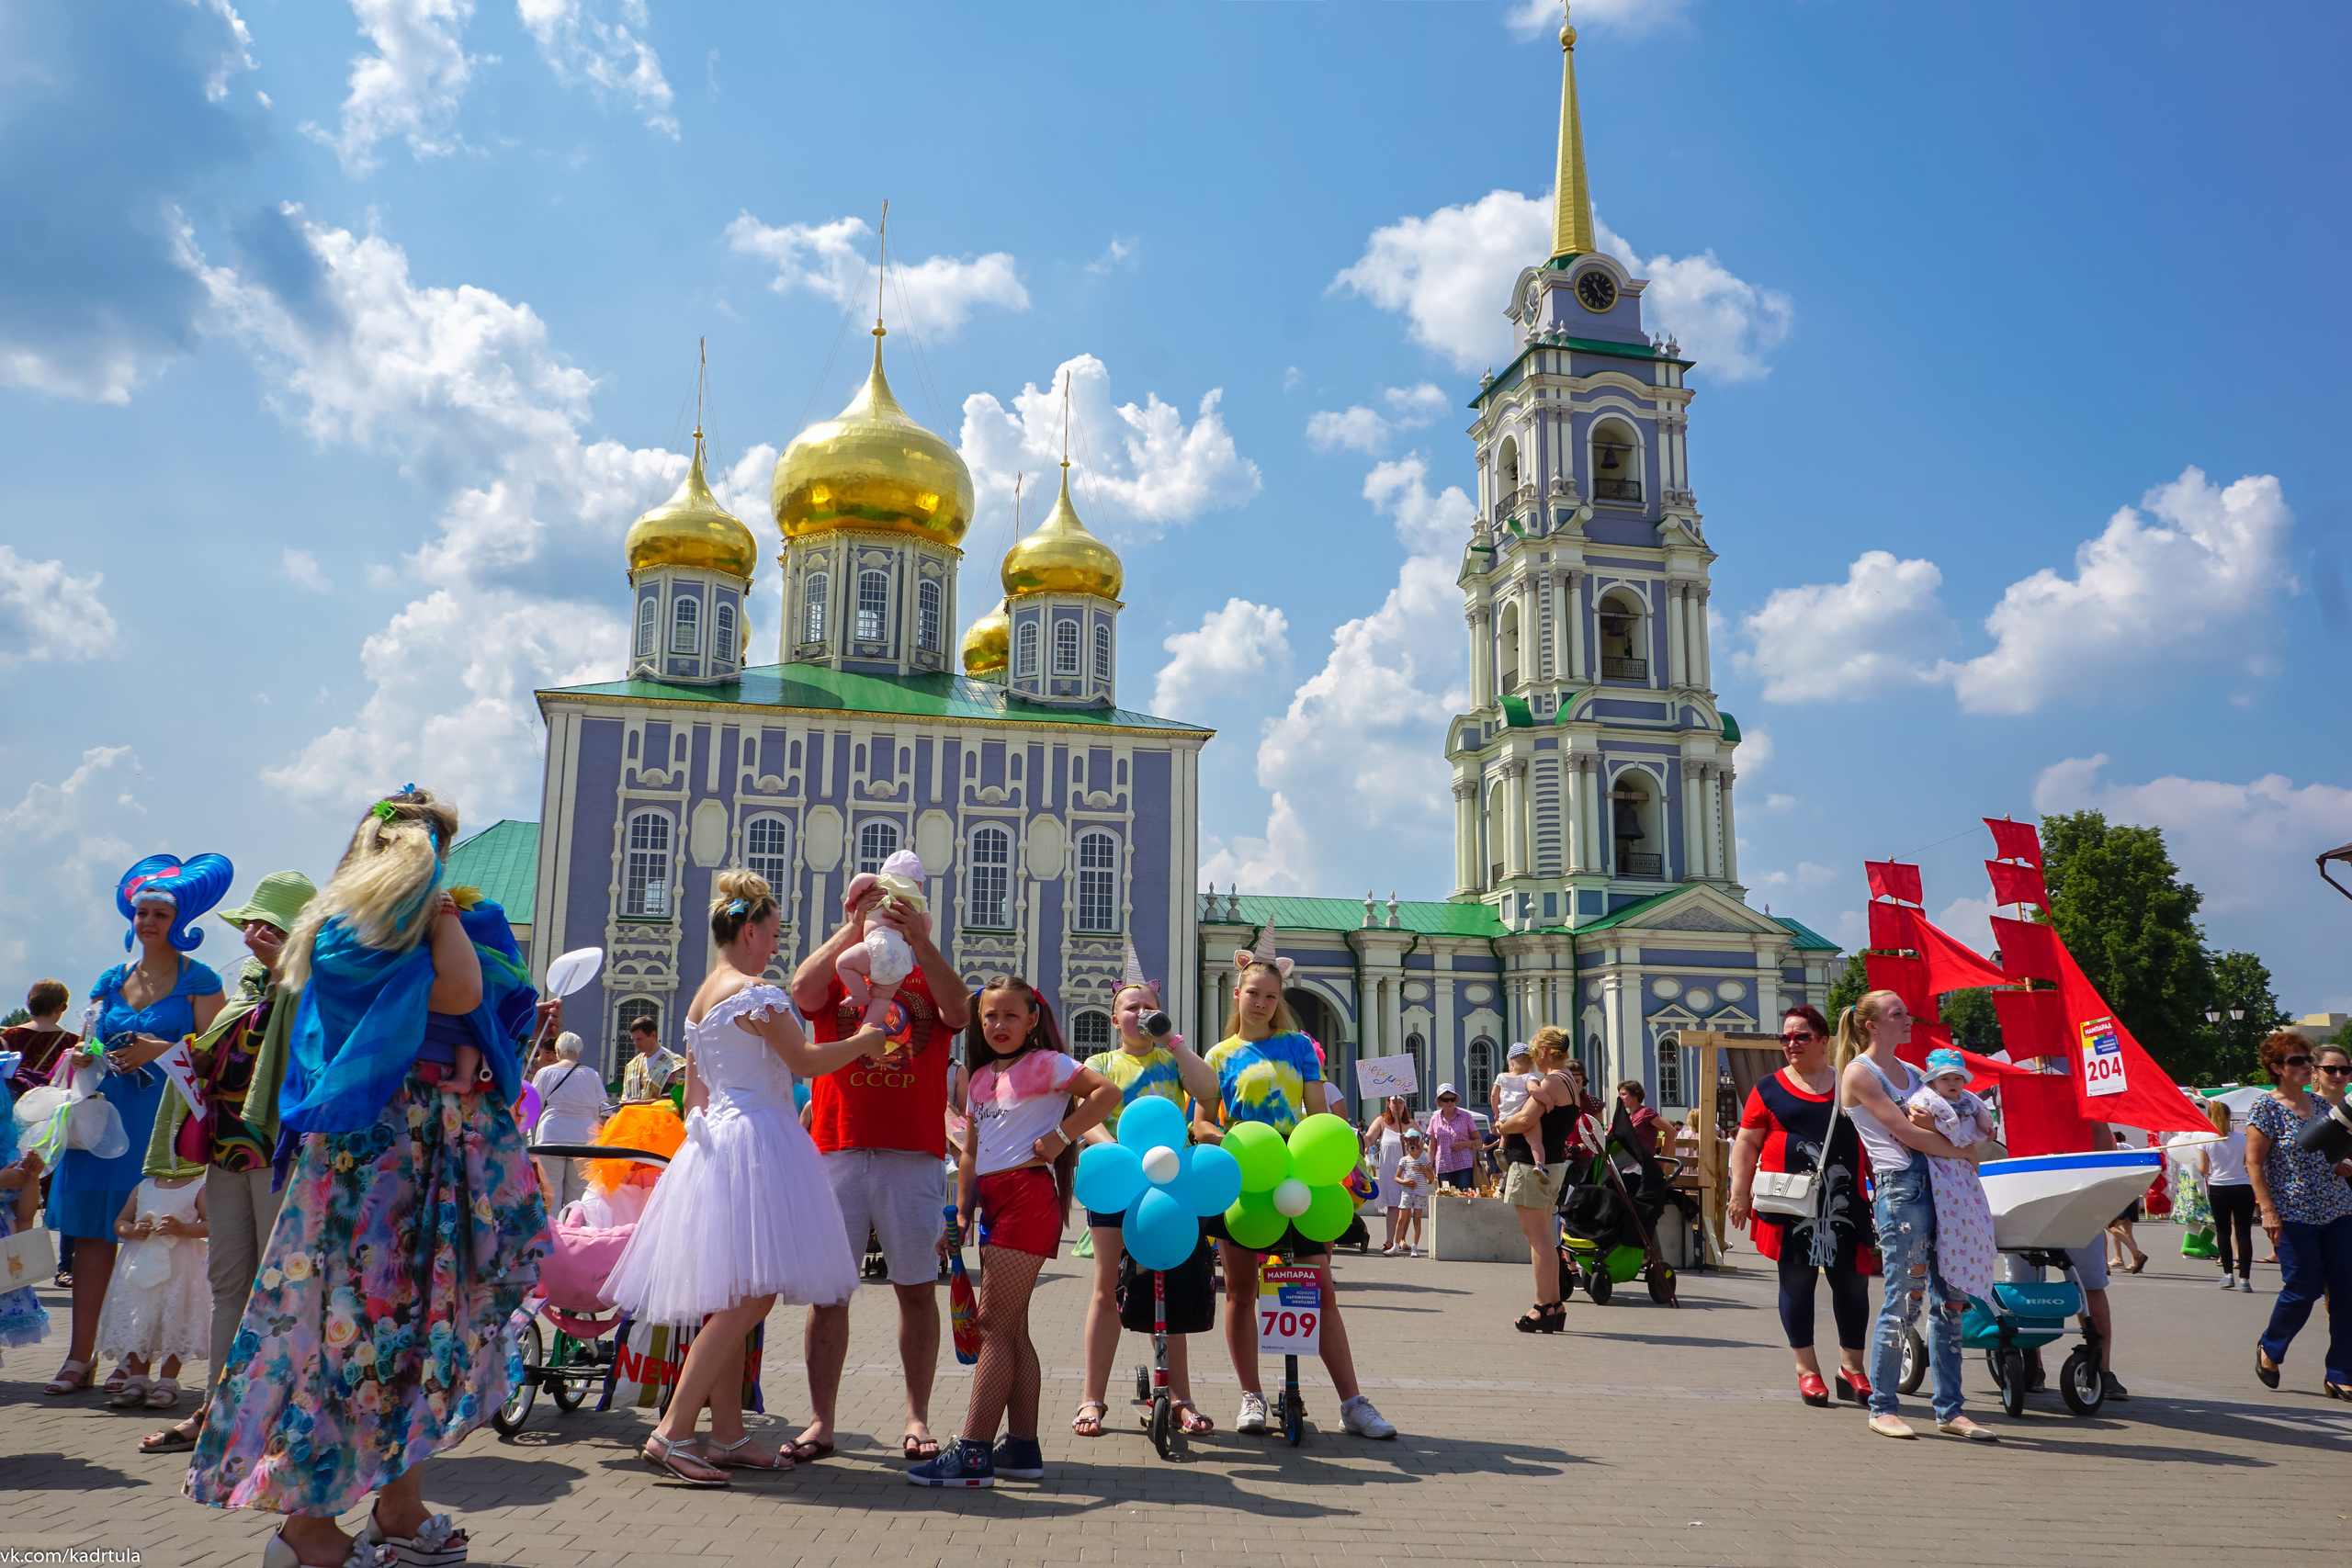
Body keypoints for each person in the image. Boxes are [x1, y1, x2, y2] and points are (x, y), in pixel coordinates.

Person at [186, 786, 547, 1568]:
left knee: (410, 1335)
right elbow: (460, 990)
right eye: (432, 854)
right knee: (350, 1335)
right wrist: (445, 913)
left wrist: (470, 1046)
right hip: (371, 1164)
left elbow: (469, 1004)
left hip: (417, 1149)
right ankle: (307, 1531)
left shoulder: (379, 928)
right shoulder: (345, 930)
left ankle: (399, 1503)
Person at [604, 870, 877, 1484]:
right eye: (775, 934)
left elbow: (695, 1095)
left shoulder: (702, 998)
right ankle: (674, 1430)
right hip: (757, 1136)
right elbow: (805, 1061)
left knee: (730, 1294)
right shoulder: (758, 994)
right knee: (751, 1295)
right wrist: (865, 1040)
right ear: (749, 930)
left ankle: (725, 1434)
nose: (777, 946)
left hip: (715, 1143)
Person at [789, 870, 971, 1463]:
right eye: (878, 905)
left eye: (903, 906)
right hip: (838, 1147)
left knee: (916, 1290)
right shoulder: (850, 956)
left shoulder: (924, 966)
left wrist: (921, 940)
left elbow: (960, 1011)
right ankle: (822, 1420)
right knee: (829, 1295)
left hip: (912, 1153)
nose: (887, 914)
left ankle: (917, 1415)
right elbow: (800, 990)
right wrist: (849, 925)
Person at [910, 976, 1117, 1486]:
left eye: (1010, 1016)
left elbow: (1106, 1092)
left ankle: (975, 1450)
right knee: (1012, 1330)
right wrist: (961, 1215)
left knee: (992, 1329)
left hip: (1028, 1198)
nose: (999, 1026)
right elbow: (971, 1154)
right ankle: (1022, 1449)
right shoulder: (979, 1077)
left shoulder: (1046, 1063)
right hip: (995, 1203)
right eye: (989, 1017)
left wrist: (1062, 1135)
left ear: (1032, 1020)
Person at [138, 870, 318, 1455]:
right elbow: (215, 1056)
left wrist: (285, 973)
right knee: (228, 1284)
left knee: (278, 1287)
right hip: (226, 1151)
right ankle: (218, 1410)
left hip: (277, 1154)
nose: (254, 934)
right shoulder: (243, 990)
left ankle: (276, 1413)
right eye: (250, 925)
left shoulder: (309, 987)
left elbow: (301, 1053)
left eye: (269, 926)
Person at [1191, 933, 1396, 1438]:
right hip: (1245, 1179)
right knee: (1239, 1292)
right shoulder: (1218, 1056)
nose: (1260, 1002)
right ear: (1236, 995)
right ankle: (1252, 1397)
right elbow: (1200, 1123)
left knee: (1319, 1289)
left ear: (1279, 1001)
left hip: (1298, 1178)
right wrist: (1237, 1141)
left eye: (1270, 995)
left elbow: (1317, 1116)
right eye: (1252, 993)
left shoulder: (1299, 1048)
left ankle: (1353, 1403)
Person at [45, 854, 231, 1400]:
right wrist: (86, 1055)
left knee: (152, 1245)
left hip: (160, 1125)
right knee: (91, 1240)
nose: (147, 922)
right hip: (103, 1121)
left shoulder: (201, 980)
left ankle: (138, 1359)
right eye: (140, 912)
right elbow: (95, 1038)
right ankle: (81, 1356)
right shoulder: (110, 978)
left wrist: (163, 1049)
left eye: (158, 914)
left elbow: (219, 1057)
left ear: (181, 921)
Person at [1837, 989, 1996, 1441]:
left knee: (1951, 1299)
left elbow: (1945, 1120)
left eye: (1906, 1012)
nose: (1908, 1019)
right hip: (1903, 1191)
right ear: (1871, 1025)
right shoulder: (1859, 1073)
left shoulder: (1911, 1072)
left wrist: (1971, 1136)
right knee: (1903, 1297)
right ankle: (1882, 1405)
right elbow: (1907, 1132)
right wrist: (1967, 1153)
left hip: (1944, 1187)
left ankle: (1950, 1409)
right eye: (1897, 1014)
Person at [1072, 964, 1221, 1442]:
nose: (1140, 1013)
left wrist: (1173, 1040)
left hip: (1169, 1188)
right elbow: (1084, 1114)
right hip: (1117, 1183)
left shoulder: (1171, 1060)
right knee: (1105, 1288)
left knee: (1172, 1285)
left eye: (1148, 1006)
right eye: (1130, 1007)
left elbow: (1208, 1092)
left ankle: (1181, 1398)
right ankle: (1091, 1398)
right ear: (1115, 1019)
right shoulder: (1099, 1064)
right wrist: (1109, 1149)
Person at [1727, 1005, 1875, 1407]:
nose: (1791, 1044)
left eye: (1802, 1036)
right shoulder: (1768, 1088)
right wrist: (1739, 1192)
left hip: (1846, 1206)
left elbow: (1876, 1139)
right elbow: (1746, 1143)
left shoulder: (1850, 1083)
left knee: (1853, 1285)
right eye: (1786, 1037)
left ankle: (1852, 1368)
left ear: (1824, 1040)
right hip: (1788, 1206)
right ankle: (1807, 1370)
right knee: (1796, 1284)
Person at [2245, 1031, 2352, 1397]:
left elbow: (2335, 1152)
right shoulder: (2266, 1108)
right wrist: (2268, 1211)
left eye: (2308, 1060)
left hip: (2338, 1209)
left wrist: (2343, 1163)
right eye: (2296, 1061)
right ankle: (2270, 1347)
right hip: (2293, 1214)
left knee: (2346, 1292)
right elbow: (2254, 1164)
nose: (2307, 1066)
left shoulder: (2323, 1107)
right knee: (2302, 1289)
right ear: (2276, 1067)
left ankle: (2339, 1373)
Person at [94, 1171, 208, 1409]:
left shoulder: (198, 1187)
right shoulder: (143, 1187)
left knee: (174, 1319)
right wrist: (132, 1230)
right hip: (140, 1267)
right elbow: (120, 1222)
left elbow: (211, 1225)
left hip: (178, 1268)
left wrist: (183, 1229)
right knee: (140, 1320)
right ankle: (137, 1380)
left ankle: (167, 1382)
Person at [1903, 1050, 1998, 1312]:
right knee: (1946, 1220)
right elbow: (1919, 1122)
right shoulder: (1925, 1099)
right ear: (1933, 1081)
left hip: (1962, 1167)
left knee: (1972, 1217)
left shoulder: (1968, 1099)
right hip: (1939, 1164)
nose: (1953, 1084)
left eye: (1958, 1078)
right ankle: (1923, 1292)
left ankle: (1963, 1281)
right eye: (1946, 1079)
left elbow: (1980, 1113)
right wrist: (1949, 1135)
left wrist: (1986, 1126)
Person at [1500, 1029, 1577, 1333]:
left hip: (1531, 1166)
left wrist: (1501, 1124)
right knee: (1545, 1236)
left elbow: (1523, 1120)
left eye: (1535, 1049)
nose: (1532, 1055)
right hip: (1552, 1164)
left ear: (1544, 1051)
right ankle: (1555, 1303)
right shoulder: (1569, 1079)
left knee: (1539, 1239)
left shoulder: (1552, 1081)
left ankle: (1542, 1306)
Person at [530, 1032, 604, 1211]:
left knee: (550, 1197)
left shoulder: (544, 1073)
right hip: (584, 1141)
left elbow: (533, 1108)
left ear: (557, 1051)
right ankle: (574, 1234)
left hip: (551, 1138)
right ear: (579, 1053)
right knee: (578, 1199)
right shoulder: (591, 1074)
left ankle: (552, 1235)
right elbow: (601, 1108)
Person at [2201, 1101, 2256, 1292]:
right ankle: (2245, 1280)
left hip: (2218, 1188)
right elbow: (2248, 1163)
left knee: (2223, 1231)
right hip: (2242, 1186)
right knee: (2243, 1233)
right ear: (2229, 1115)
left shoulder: (2205, 1140)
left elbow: (2203, 1169)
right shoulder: (2243, 1138)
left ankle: (2227, 1275)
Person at [4, 977, 80, 1097]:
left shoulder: (7, 1036)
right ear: (61, 1007)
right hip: (50, 1106)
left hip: (12, 1100)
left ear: (28, 1004)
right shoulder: (74, 1042)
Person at [1363, 1094, 1413, 1254]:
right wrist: (1359, 1143)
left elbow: (1419, 1146)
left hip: (1408, 1170)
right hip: (1390, 1171)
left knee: (1405, 1206)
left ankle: (1401, 1240)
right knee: (1393, 1206)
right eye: (1394, 1102)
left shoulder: (1410, 1124)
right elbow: (1369, 1137)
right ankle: (1390, 1240)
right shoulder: (1382, 1121)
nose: (1397, 1105)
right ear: (1388, 1104)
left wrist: (1409, 1142)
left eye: (1400, 1102)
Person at [2105, 1130, 2151, 1275]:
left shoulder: (2111, 1153)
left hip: (2120, 1192)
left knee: (2108, 1225)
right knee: (2126, 1228)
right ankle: (2131, 1260)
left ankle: (2136, 1254)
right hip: (2131, 1191)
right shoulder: (2127, 1149)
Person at [1426, 1083, 1482, 1194]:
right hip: (1443, 1165)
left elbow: (1479, 1141)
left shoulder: (1466, 1116)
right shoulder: (1434, 1119)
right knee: (1446, 1198)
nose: (1449, 1102)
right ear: (1440, 1102)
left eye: (1452, 1099)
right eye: (1445, 1100)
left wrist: (1464, 1144)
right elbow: (1432, 1147)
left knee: (1465, 1196)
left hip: (1464, 1164)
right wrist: (1428, 1169)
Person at [619, 1015, 684, 1102]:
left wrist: (641, 1104)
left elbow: (675, 1100)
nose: (636, 1043)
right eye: (633, 1039)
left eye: (639, 1039)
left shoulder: (676, 1065)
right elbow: (626, 1096)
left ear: (653, 1035)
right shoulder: (633, 1065)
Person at [1393, 1131, 1431, 1255]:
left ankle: (1414, 1247)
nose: (1412, 1145)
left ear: (1419, 1142)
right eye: (1409, 1142)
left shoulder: (1425, 1160)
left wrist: (1423, 1169)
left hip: (1420, 1193)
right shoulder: (1403, 1160)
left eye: (1414, 1142)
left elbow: (1431, 1178)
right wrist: (1405, 1182)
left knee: (1417, 1220)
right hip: (1407, 1193)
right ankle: (1396, 1246)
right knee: (1401, 1219)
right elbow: (1397, 1177)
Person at [1491, 1043, 1536, 1130]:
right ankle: (1536, 1144)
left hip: (1504, 1117)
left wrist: (1497, 1114)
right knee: (1533, 1134)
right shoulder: (1529, 1077)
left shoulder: (1501, 1076)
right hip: (1520, 1116)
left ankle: (1501, 1144)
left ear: (1510, 1062)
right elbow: (1534, 1090)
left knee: (1504, 1137)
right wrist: (1548, 1101)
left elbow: (1494, 1096)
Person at [1618, 1079, 1664, 1158]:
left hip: (1644, 1162)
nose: (1620, 1097)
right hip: (1629, 1162)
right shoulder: (1626, 1117)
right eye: (1620, 1094)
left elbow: (1671, 1131)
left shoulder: (1646, 1113)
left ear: (1634, 1096)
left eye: (1624, 1094)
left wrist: (1664, 1158)